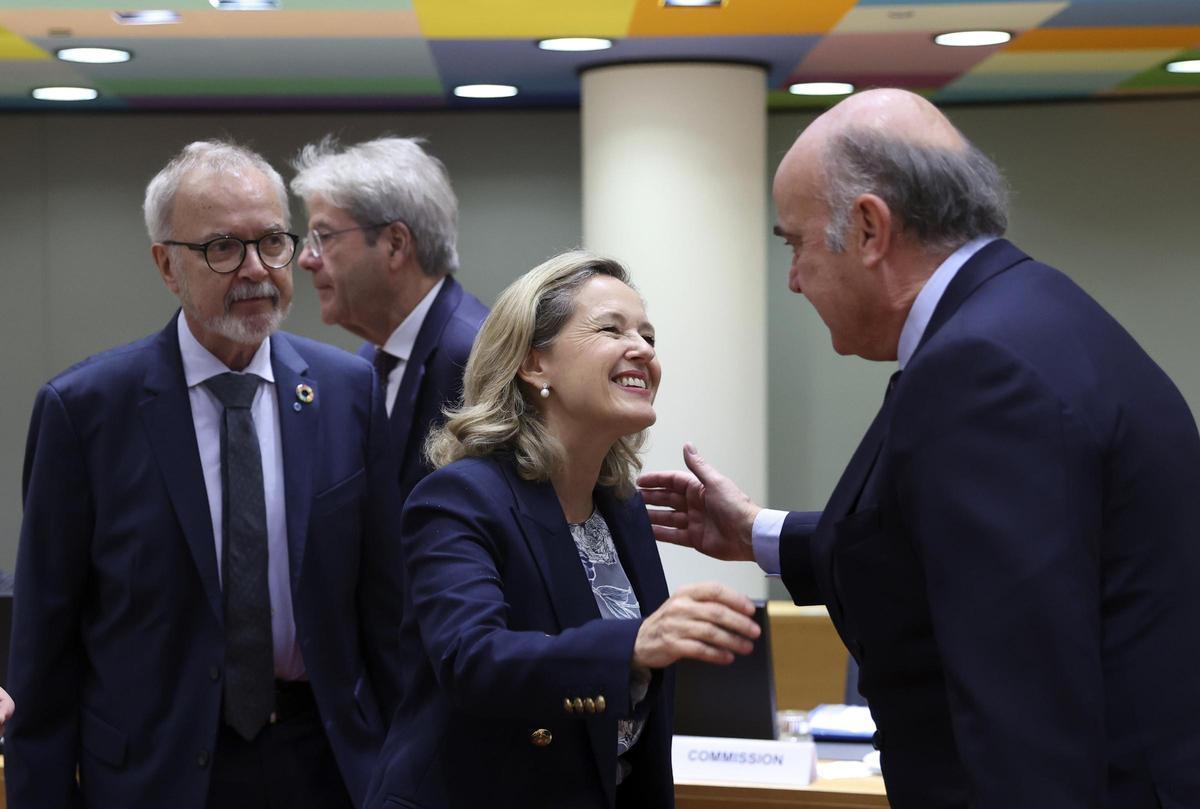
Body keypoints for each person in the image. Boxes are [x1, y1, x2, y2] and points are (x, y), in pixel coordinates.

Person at [639, 89, 1200, 809]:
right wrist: (758, 532)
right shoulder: (1027, 315)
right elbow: (939, 546)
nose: (795, 277)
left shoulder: (981, 368)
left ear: (870, 229)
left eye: (796, 242)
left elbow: (1022, 701)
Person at [6, 140, 404, 809]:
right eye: (223, 247)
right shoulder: (86, 411)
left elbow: (388, 614)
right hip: (152, 773)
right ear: (167, 265)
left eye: (273, 241)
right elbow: (44, 650)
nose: (256, 269)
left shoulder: (347, 392)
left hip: (325, 765)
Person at [365, 251, 761, 809]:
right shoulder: (460, 498)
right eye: (612, 329)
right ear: (534, 365)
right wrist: (632, 646)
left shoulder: (620, 507)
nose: (643, 349)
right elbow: (472, 661)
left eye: (648, 335)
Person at [291, 136, 488, 504]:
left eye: (324, 237)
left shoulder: (479, 358)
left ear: (395, 244)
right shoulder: (369, 362)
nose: (306, 259)